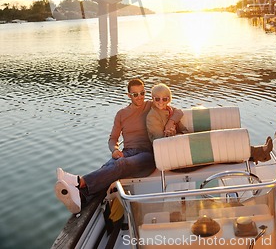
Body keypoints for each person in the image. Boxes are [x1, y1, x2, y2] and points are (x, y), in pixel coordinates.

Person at [54, 78, 183, 214]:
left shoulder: (153, 104)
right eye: (135, 94)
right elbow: (113, 139)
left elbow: (178, 111)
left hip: (147, 154)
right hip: (127, 152)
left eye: (142, 93)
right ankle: (81, 198)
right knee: (108, 166)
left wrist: (170, 123)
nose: (139, 97)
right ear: (129, 96)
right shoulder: (121, 114)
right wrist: (114, 149)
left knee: (120, 164)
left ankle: (80, 181)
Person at [146, 83, 273, 164]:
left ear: (169, 99)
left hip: (180, 144)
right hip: (172, 152)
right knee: (216, 144)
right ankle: (259, 153)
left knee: (217, 141)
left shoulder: (169, 109)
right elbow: (159, 142)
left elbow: (178, 112)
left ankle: (257, 153)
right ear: (152, 99)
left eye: (165, 98)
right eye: (157, 99)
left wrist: (171, 122)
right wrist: (171, 135)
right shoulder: (152, 117)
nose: (161, 101)